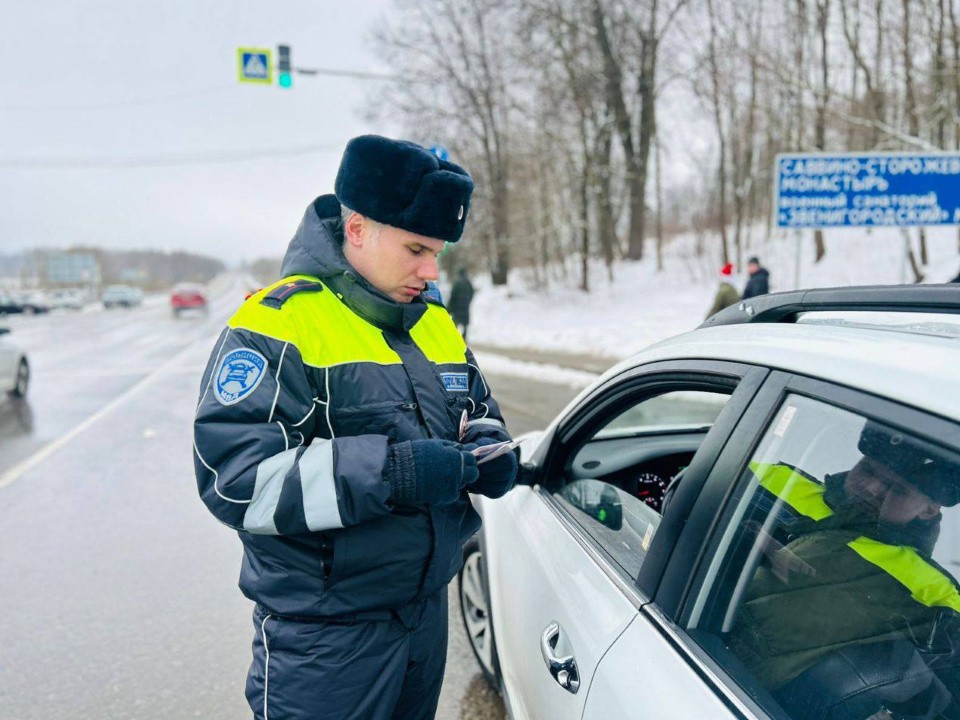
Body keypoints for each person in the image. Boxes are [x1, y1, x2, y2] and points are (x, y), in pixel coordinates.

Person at [193, 135, 519, 720]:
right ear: (359, 227)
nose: (430, 269)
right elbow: (236, 480)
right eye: (417, 248)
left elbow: (479, 407)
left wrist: (489, 446)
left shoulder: (433, 321)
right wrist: (393, 473)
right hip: (326, 639)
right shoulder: (278, 324)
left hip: (424, 615)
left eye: (438, 252)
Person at [728, 422, 960, 695]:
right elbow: (685, 491)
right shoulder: (776, 479)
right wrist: (740, 544)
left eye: (896, 490)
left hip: (746, 696)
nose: (872, 488)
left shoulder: (935, 592)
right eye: (868, 470)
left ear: (929, 511)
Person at [446, 267, 474, 340]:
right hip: (465, 308)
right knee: (465, 326)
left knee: (455, 325)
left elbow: (453, 296)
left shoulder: (457, 283)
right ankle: (464, 340)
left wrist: (449, 308)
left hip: (457, 309)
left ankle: (455, 340)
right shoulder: (468, 283)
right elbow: (472, 293)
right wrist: (468, 302)